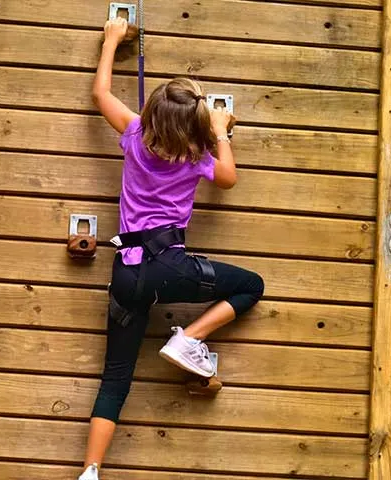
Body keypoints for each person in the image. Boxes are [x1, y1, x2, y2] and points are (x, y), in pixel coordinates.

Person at [77, 17, 265, 480]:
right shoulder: (199, 156)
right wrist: (221, 130)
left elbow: (101, 94)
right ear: (196, 126)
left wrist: (112, 41)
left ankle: (90, 471)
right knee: (250, 286)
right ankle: (189, 339)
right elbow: (229, 178)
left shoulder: (135, 134)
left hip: (126, 270)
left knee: (115, 378)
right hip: (168, 266)